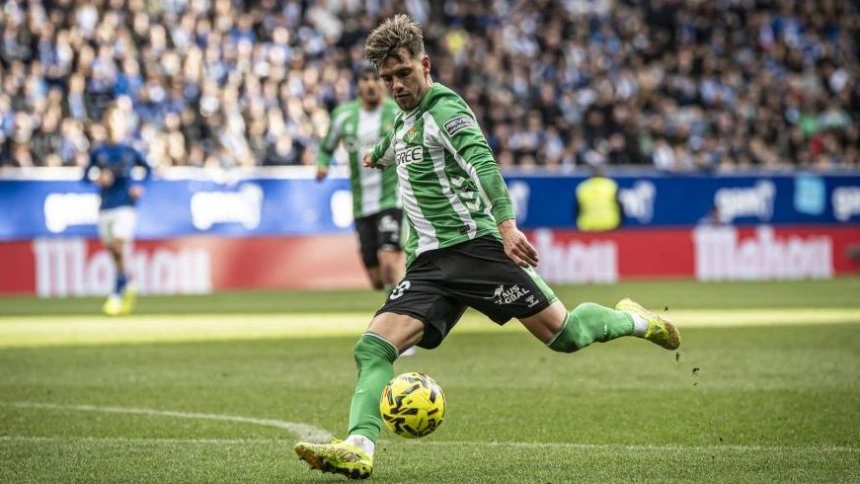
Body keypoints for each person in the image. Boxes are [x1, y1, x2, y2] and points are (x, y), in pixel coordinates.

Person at [294, 15, 680, 480]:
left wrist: (507, 226)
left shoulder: (445, 109)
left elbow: (482, 161)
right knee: (373, 347)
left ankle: (638, 320)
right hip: (431, 264)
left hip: (479, 249)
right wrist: (377, 155)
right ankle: (359, 446)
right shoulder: (404, 120)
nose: (396, 85)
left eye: (403, 74)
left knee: (567, 336)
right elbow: (400, 143)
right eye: (387, 78)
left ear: (426, 65)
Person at [316, 64, 405, 293]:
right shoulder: (343, 115)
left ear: (383, 83)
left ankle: (399, 311)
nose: (371, 85)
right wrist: (322, 164)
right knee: (376, 280)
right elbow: (326, 147)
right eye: (365, 80)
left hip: (391, 197)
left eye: (376, 79)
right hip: (360, 203)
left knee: (388, 260)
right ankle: (396, 300)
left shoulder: (396, 112)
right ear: (358, 85)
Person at [82, 105, 151, 316]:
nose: (114, 124)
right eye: (111, 119)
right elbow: (84, 176)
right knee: (112, 250)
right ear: (105, 123)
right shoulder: (99, 151)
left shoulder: (130, 149)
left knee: (119, 246)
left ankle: (117, 292)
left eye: (118, 119)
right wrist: (97, 179)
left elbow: (148, 170)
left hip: (125, 206)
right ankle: (127, 280)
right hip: (105, 206)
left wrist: (141, 186)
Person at [574, 164, 624, 231]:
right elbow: (620, 205)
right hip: (610, 225)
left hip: (587, 226)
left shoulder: (583, 186)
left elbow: (577, 208)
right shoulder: (611, 185)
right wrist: (621, 224)